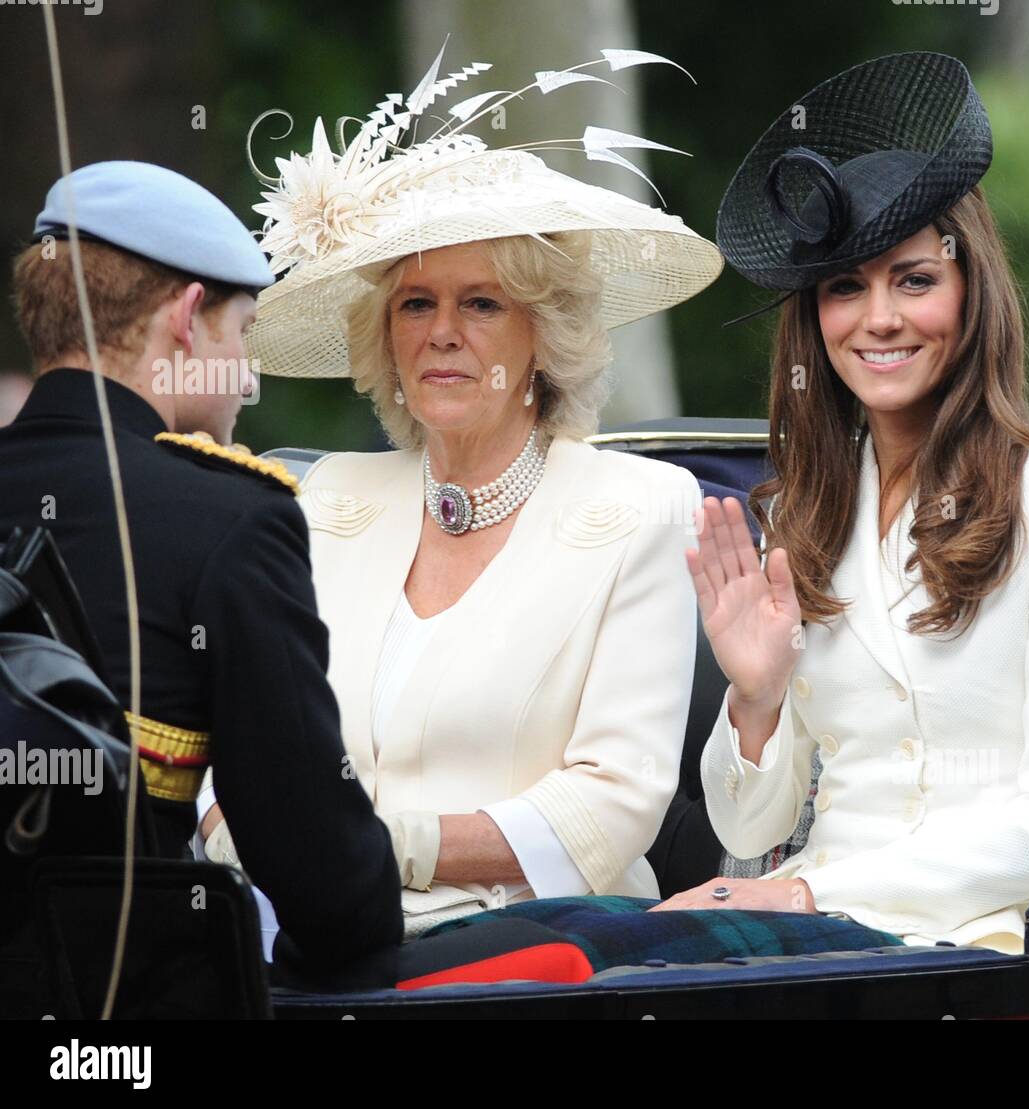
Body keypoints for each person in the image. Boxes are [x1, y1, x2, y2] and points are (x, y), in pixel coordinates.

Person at [198, 49, 719, 936]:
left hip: (538, 952)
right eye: (414, 304)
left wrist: (371, 846)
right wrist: (279, 856)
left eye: (481, 303)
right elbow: (226, 754)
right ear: (384, 338)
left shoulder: (644, 505)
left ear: (542, 332)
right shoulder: (326, 496)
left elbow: (611, 806)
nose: (442, 333)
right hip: (306, 933)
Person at [655, 53, 1029, 956]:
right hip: (809, 938)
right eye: (846, 286)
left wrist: (805, 893)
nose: (879, 318)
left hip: (978, 945)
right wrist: (755, 700)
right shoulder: (801, 516)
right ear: (814, 320)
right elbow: (746, 826)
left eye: (914, 279)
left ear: (971, 291)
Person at [0, 160, 401, 966]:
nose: (246, 376)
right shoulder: (229, 518)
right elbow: (325, 882)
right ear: (187, 318)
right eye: (242, 332)